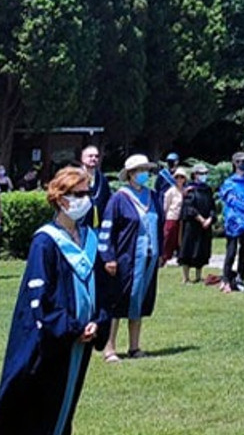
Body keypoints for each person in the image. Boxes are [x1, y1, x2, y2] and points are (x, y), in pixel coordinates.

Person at [0, 167, 110, 435]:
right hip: (51, 343)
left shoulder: (89, 239)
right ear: (60, 198)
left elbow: (103, 291)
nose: (85, 199)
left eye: (87, 193)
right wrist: (73, 328)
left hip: (81, 341)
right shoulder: (45, 243)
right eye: (77, 194)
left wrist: (97, 322)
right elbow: (40, 301)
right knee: (40, 409)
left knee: (65, 405)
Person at [99, 155, 163, 362]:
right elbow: (107, 230)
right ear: (130, 175)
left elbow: (159, 227)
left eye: (145, 169)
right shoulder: (119, 199)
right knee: (118, 302)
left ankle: (134, 347)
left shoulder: (153, 197)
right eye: (139, 170)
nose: (144, 173)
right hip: (125, 259)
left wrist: (161, 253)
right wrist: (108, 257)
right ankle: (110, 349)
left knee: (139, 300)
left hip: (148, 259)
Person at [218, 152, 244, 292]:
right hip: (234, 222)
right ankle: (225, 279)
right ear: (235, 163)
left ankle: (240, 278)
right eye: (242, 161)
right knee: (231, 251)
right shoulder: (229, 183)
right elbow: (230, 199)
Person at [178, 164, 215, 285]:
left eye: (205, 173)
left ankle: (199, 276)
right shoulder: (190, 190)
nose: (204, 176)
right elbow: (189, 207)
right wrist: (200, 219)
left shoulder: (208, 189)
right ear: (195, 175)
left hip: (205, 225)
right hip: (192, 224)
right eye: (201, 173)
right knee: (188, 249)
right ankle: (185, 277)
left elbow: (212, 206)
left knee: (202, 250)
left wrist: (209, 218)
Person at [160, 169, 186, 267]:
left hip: (182, 219)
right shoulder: (171, 191)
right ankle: (164, 258)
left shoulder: (185, 190)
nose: (179, 179)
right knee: (168, 238)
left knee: (179, 240)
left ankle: (179, 258)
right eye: (177, 177)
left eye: (182, 177)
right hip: (171, 217)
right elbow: (166, 205)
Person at [80, 147, 111, 228]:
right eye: (90, 156)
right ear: (82, 158)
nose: (93, 158)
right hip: (80, 223)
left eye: (96, 156)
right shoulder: (75, 177)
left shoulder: (102, 179)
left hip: (99, 225)